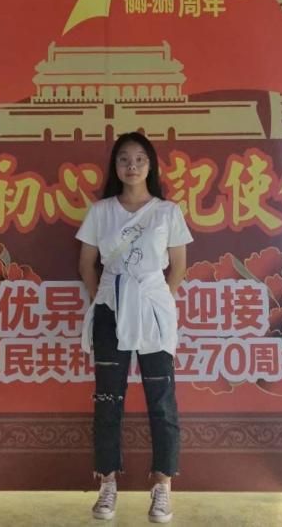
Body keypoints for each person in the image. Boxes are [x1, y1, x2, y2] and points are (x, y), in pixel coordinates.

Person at [76, 132, 193, 523]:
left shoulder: (167, 212)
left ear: (150, 165)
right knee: (108, 398)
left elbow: (178, 265)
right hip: (111, 309)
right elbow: (86, 263)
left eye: (140, 158)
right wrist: (103, 299)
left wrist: (157, 301)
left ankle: (162, 485)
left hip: (154, 311)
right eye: (124, 158)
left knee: (162, 398)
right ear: (115, 166)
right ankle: (107, 481)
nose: (132, 165)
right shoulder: (101, 211)